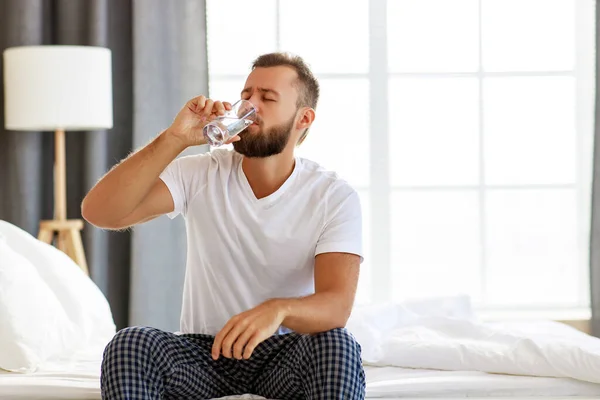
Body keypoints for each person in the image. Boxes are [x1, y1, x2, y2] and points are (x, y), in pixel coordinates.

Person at [81, 52, 365, 400]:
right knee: (131, 343)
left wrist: (277, 310)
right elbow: (101, 213)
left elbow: (337, 306)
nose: (250, 105)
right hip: (205, 355)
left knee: (337, 345)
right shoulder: (201, 173)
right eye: (246, 95)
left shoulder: (333, 196)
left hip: (282, 353)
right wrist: (175, 139)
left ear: (303, 118)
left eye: (267, 97)